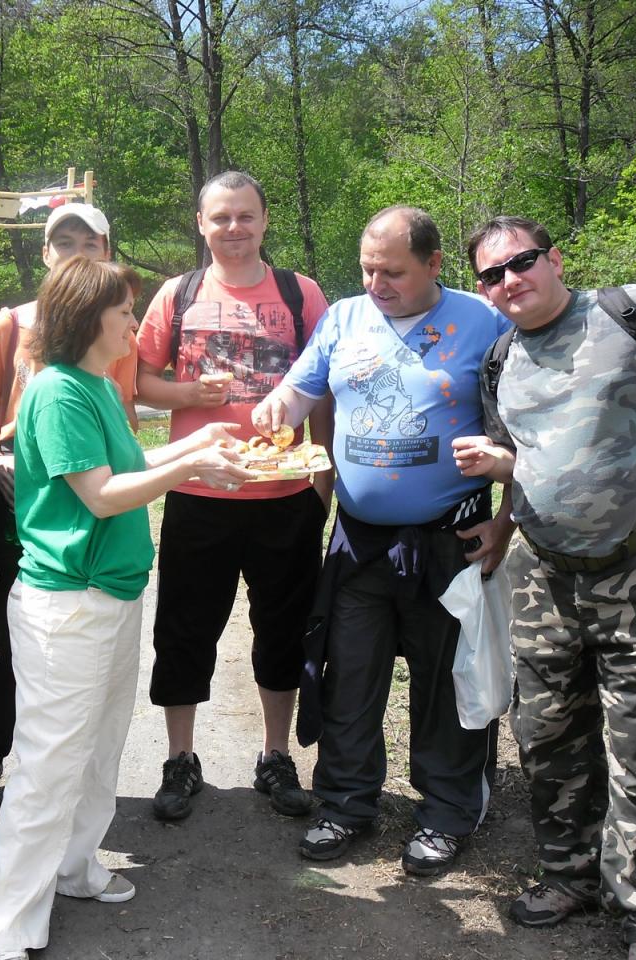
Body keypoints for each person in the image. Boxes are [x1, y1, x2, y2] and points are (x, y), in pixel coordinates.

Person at [454, 216, 636, 960]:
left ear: (554, 259)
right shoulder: (499, 359)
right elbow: (521, 460)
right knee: (547, 737)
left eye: (521, 261)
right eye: (491, 274)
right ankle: (568, 874)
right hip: (543, 578)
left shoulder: (631, 314)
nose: (509, 280)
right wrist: (503, 525)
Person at [0, 256, 252, 960]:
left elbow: (122, 469)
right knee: (50, 760)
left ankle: (75, 868)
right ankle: (7, 925)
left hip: (111, 595)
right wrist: (190, 467)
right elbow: (99, 497)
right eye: (124, 311)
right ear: (85, 317)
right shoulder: (58, 393)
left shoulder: (97, 384)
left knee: (99, 749)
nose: (135, 322)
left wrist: (195, 441)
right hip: (69, 605)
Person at [252, 206, 512, 870]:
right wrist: (278, 406)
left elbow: (522, 429)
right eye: (368, 269)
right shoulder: (344, 318)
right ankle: (344, 805)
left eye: (392, 271)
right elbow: (300, 390)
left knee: (445, 681)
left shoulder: (484, 322)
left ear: (434, 263)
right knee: (349, 673)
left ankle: (448, 811)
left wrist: (507, 520)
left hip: (450, 538)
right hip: (359, 540)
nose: (376, 284)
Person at [135, 170, 333, 823]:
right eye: (220, 217)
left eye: (245, 215)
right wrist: (188, 394)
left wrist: (324, 474)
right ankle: (180, 758)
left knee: (283, 631)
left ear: (265, 220)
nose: (234, 228)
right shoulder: (178, 293)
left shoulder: (301, 293)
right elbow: (139, 380)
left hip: (285, 493)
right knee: (184, 629)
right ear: (201, 224)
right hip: (199, 490)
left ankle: (276, 755)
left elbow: (323, 385)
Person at [0, 202, 138, 832]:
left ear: (106, 250)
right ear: (45, 252)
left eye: (91, 241)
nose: (77, 250)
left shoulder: (113, 329)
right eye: (64, 241)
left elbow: (121, 410)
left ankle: (66, 795)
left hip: (88, 489)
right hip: (17, 492)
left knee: (72, 663)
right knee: (3, 642)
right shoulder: (13, 324)